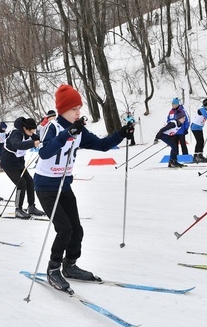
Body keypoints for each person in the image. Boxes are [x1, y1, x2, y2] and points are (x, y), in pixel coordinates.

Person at [34, 84, 133, 291]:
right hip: (45, 186)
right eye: (74, 109)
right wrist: (67, 134)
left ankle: (70, 265)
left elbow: (103, 145)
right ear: (63, 111)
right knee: (64, 229)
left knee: (76, 230)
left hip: (64, 185)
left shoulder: (78, 130)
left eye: (79, 108)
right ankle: (53, 270)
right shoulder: (54, 127)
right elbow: (44, 153)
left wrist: (122, 133)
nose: (78, 113)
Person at [0, 116, 45, 219]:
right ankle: (18, 209)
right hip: (8, 162)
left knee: (30, 181)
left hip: (19, 162)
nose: (32, 133)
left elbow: (37, 138)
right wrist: (33, 143)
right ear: (25, 129)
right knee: (21, 184)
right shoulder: (16, 133)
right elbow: (17, 144)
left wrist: (42, 141)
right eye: (31, 131)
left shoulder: (27, 132)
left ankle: (31, 206)